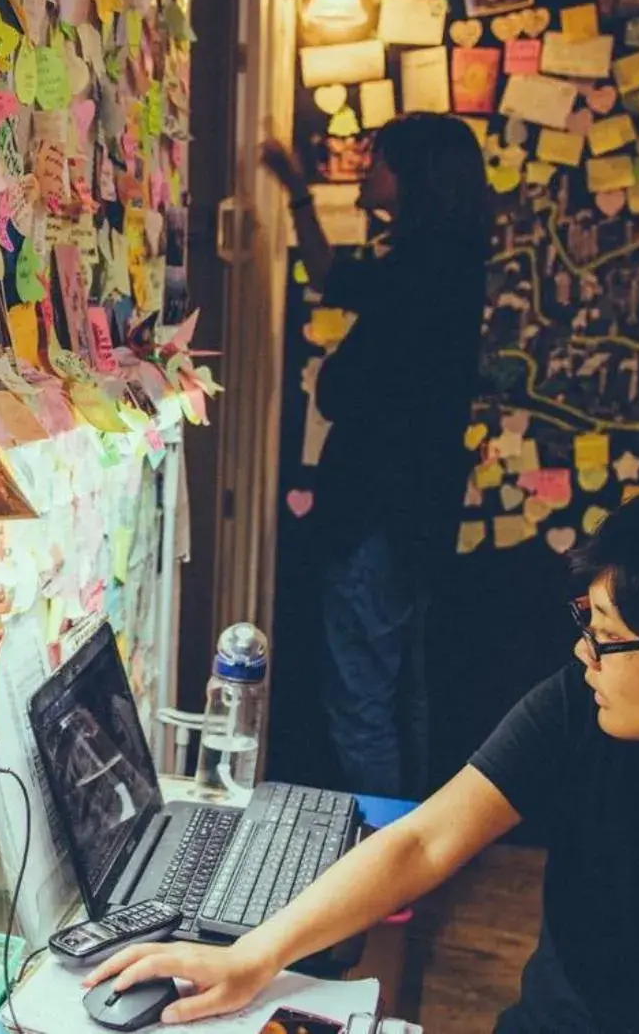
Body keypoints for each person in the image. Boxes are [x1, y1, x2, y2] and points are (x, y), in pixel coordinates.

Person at [87, 480, 639, 1030]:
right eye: (587, 624)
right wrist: (252, 956)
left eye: (611, 637)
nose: (585, 654)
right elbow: (422, 842)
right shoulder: (587, 710)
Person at [262, 114, 492, 799]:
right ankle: (406, 854)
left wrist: (337, 379)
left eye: (378, 159)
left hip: (377, 513)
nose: (366, 169)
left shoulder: (422, 270)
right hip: (415, 514)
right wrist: (299, 194)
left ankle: (386, 874)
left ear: (415, 173)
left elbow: (350, 386)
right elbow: (332, 277)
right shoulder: (441, 259)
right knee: (399, 690)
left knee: (361, 697)